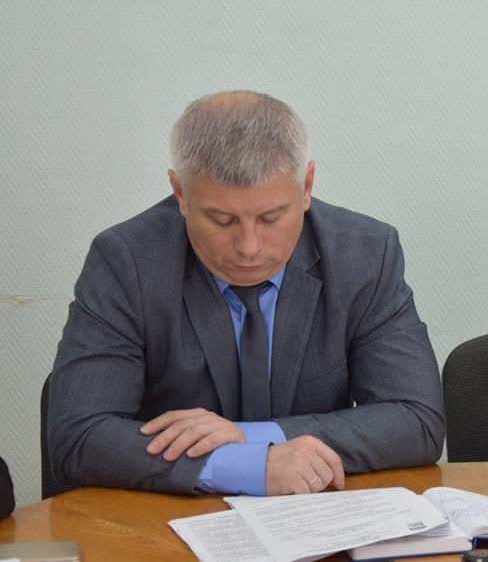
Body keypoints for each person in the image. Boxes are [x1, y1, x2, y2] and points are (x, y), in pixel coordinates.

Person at [50, 91, 445, 495]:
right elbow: (78, 436)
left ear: (306, 186)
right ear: (180, 194)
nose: (249, 247)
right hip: (167, 516)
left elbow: (416, 420)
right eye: (222, 220)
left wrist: (254, 439)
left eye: (271, 217)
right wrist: (245, 465)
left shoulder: (364, 254)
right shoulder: (128, 260)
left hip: (314, 515)